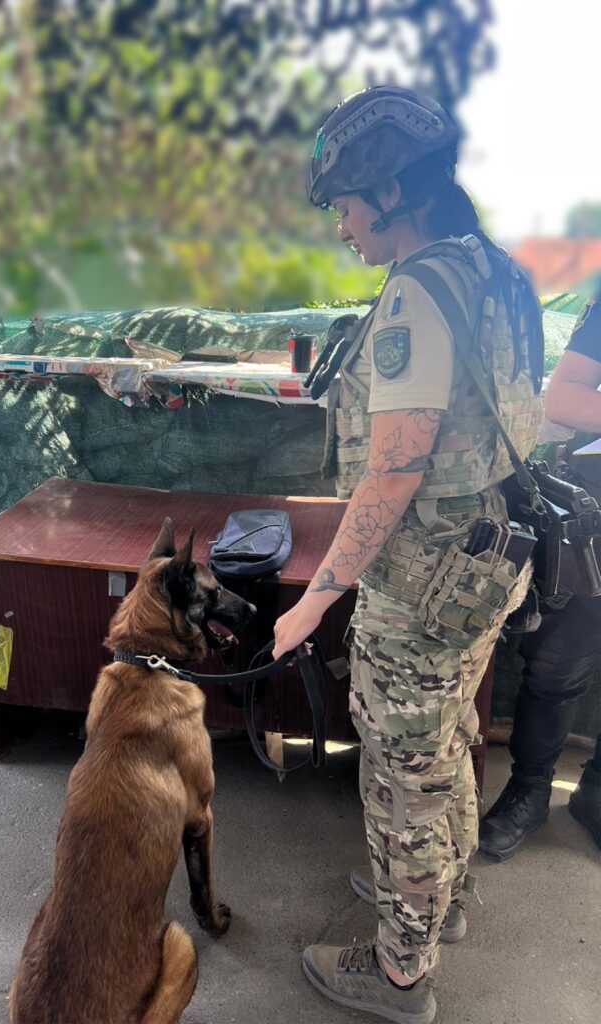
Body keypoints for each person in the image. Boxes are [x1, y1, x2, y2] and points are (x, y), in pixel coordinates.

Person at [271, 85, 544, 1024]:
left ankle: (397, 971)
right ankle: (439, 902)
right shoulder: (495, 271)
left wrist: (315, 599)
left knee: (401, 780)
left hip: (423, 582)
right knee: (446, 750)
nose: (342, 226)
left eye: (346, 204)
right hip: (484, 568)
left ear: (389, 191)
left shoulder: (417, 289)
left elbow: (391, 473)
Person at [478, 290, 601, 861]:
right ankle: (529, 791)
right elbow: (565, 395)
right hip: (595, 513)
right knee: (558, 664)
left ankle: (594, 792)